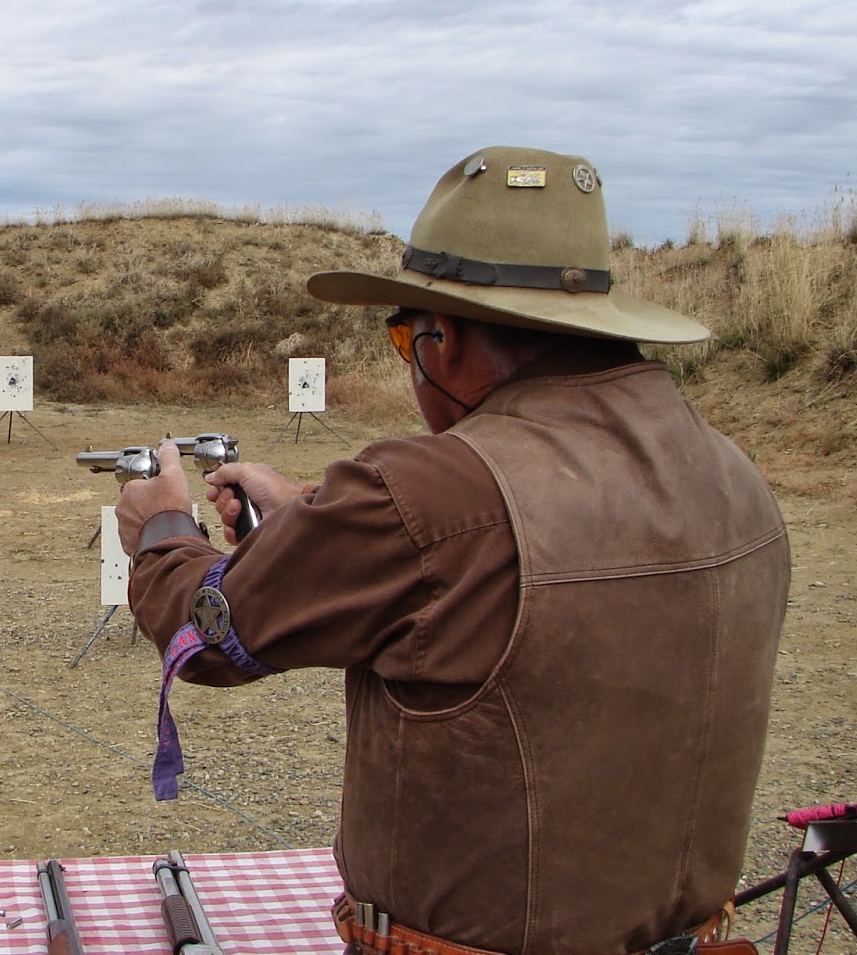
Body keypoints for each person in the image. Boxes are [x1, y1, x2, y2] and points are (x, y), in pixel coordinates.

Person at [116, 147, 790, 955]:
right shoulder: (731, 472)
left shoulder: (425, 495)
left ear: (448, 341)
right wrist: (310, 515)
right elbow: (493, 561)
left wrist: (162, 530)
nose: (411, 360)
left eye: (407, 336)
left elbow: (214, 637)